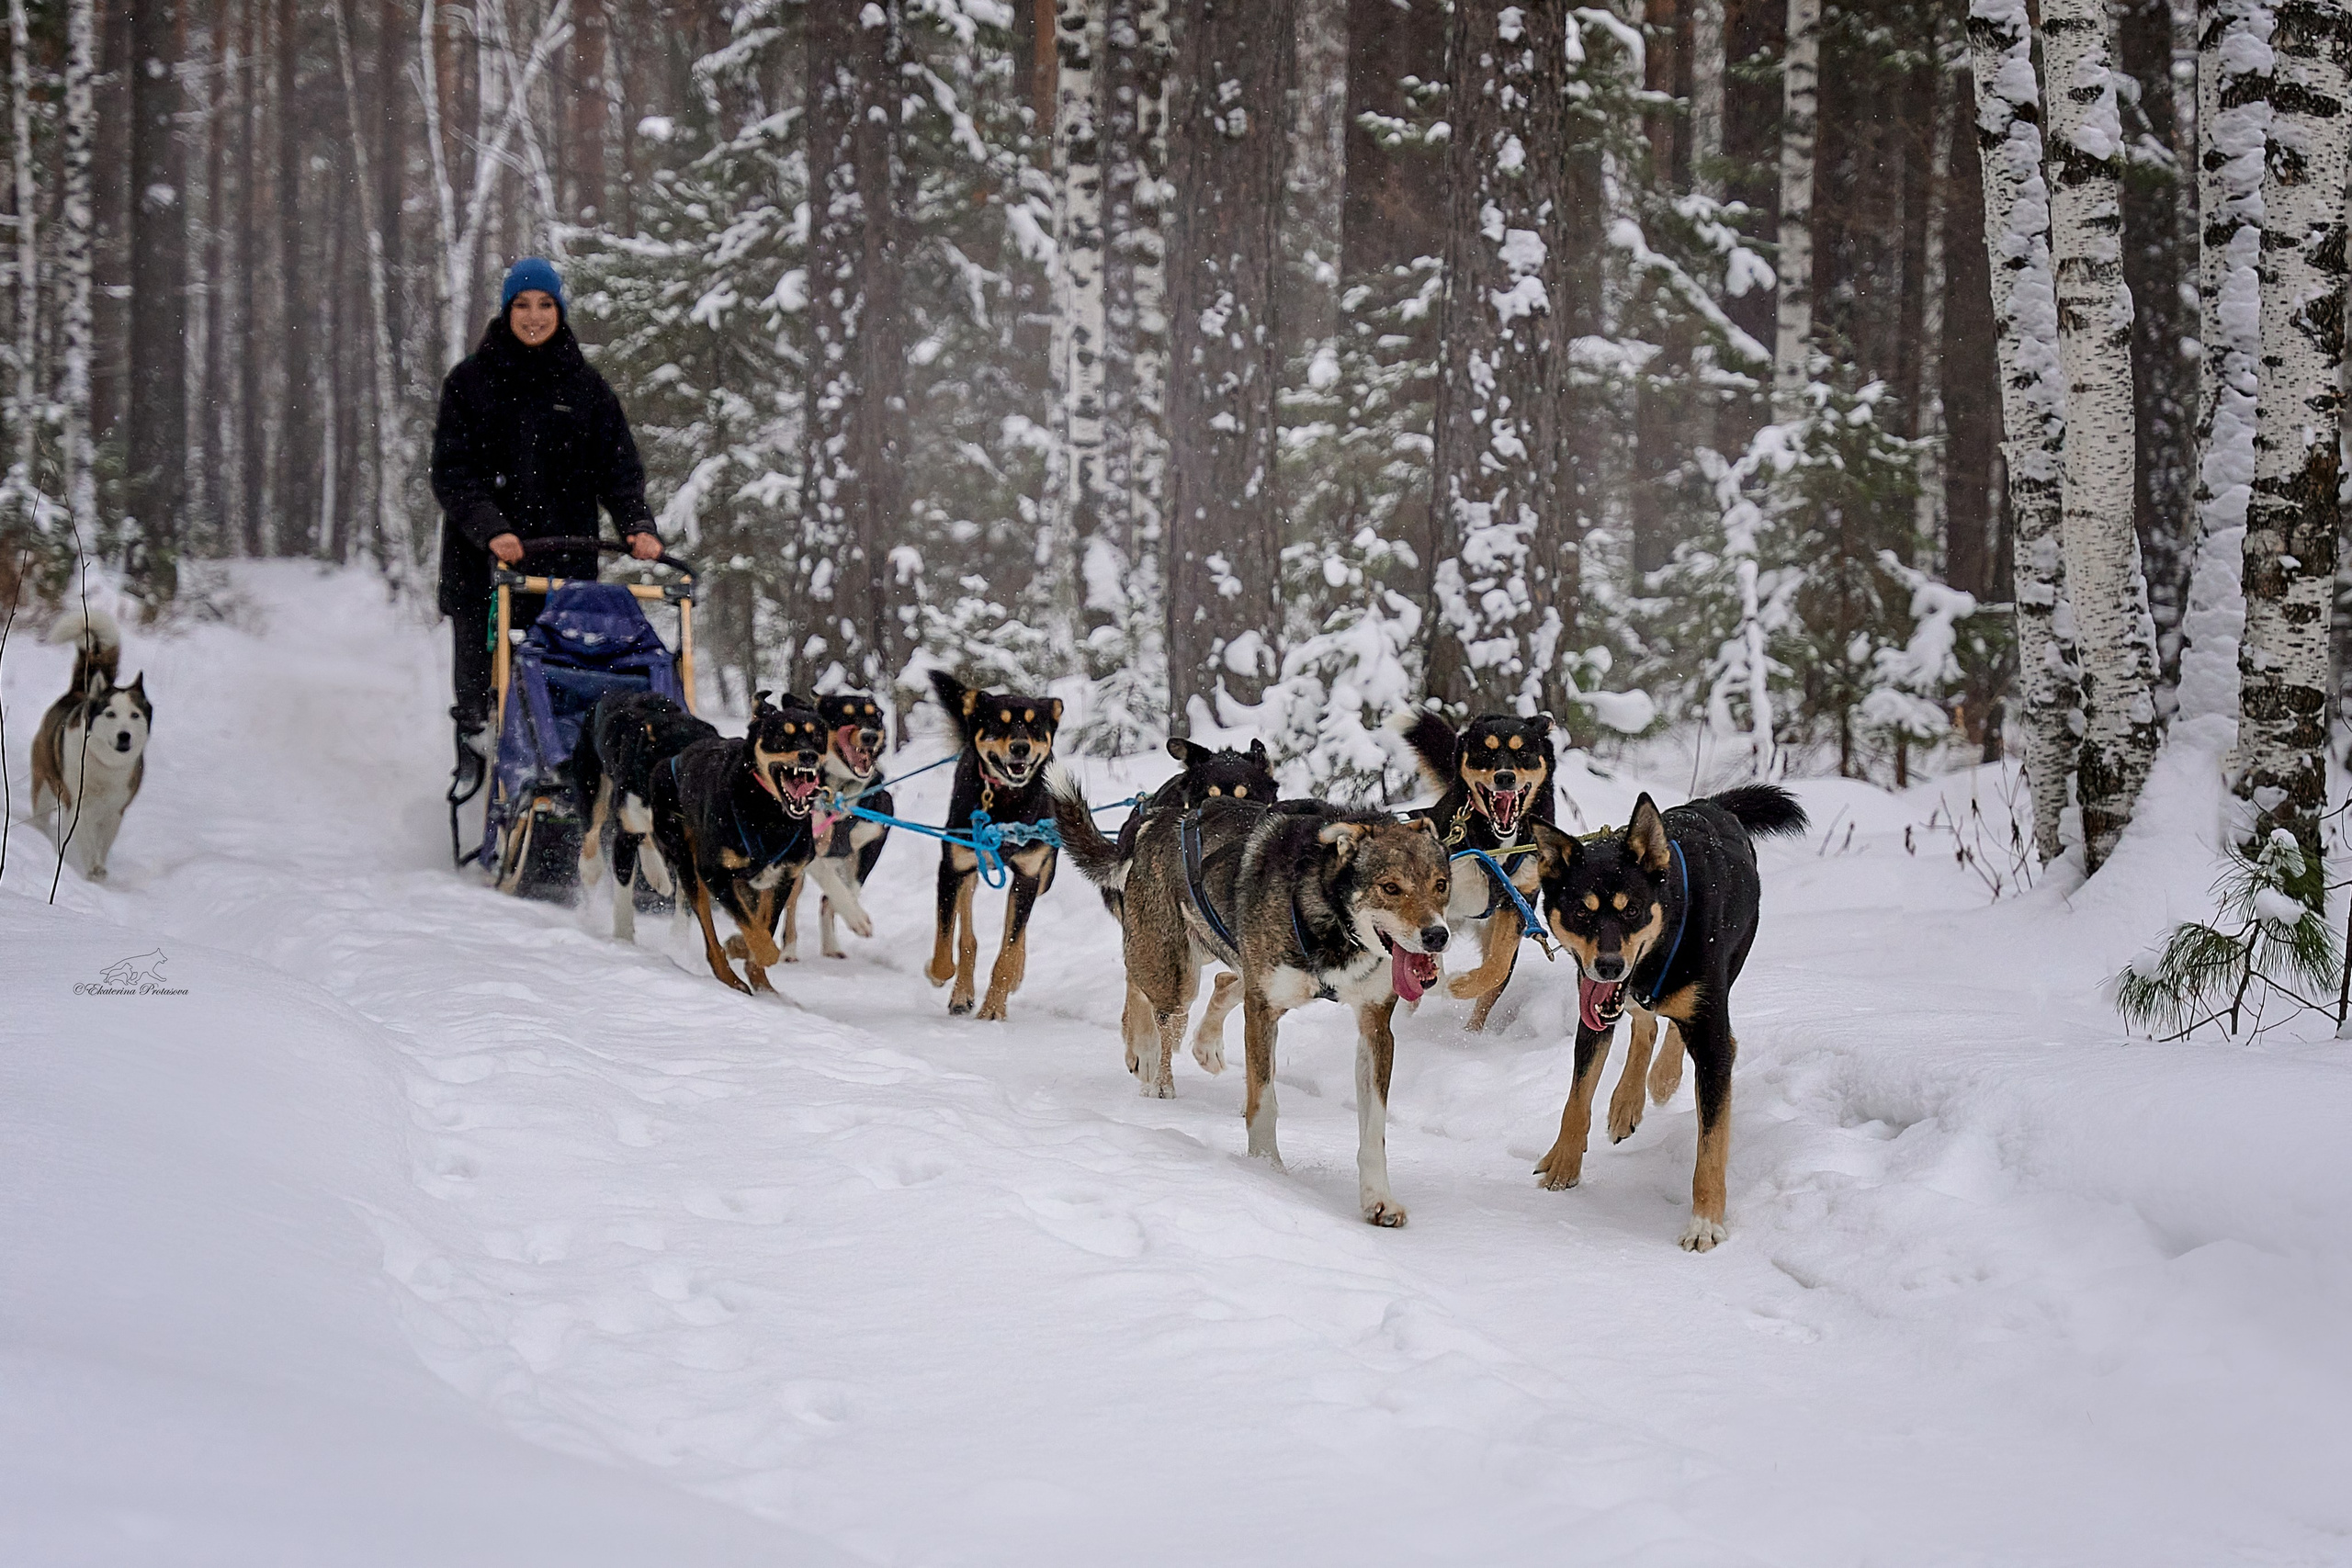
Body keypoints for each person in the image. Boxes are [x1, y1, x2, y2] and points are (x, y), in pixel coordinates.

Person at [432, 255, 663, 774]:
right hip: (483, 570)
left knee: (562, 680)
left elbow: (618, 469)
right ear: (505, 310)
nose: (533, 316)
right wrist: (493, 529)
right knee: (481, 688)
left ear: (560, 311)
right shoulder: (471, 382)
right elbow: (453, 472)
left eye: (544, 305)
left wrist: (637, 526)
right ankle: (479, 770)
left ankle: (561, 786)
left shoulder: (585, 388)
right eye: (522, 305)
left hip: (563, 566)